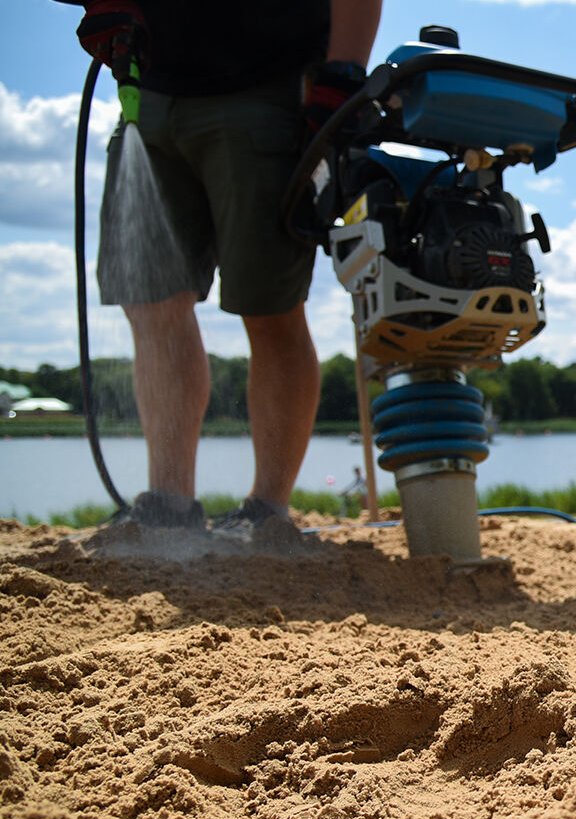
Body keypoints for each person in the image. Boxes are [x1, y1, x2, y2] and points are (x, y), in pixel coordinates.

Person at [68, 0, 384, 543]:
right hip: (149, 94)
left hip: (268, 90)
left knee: (271, 307)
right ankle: (168, 505)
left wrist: (344, 72)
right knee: (150, 304)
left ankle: (267, 513)